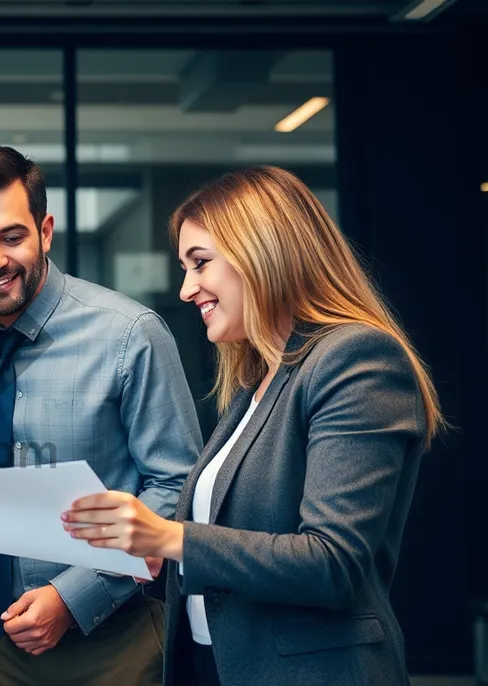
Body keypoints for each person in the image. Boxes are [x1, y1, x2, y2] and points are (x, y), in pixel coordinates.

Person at [62, 166, 442, 686]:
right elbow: (227, 544)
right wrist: (153, 552)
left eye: (200, 264)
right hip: (214, 666)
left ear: (264, 252)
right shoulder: (257, 381)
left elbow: (331, 564)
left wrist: (170, 537)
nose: (186, 288)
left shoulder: (356, 360)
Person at [0, 145, 202, 686]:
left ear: (45, 231)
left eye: (12, 237)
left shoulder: (129, 335)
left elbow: (177, 484)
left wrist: (73, 595)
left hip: (117, 643)